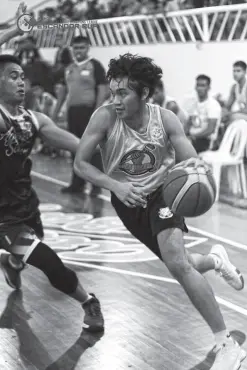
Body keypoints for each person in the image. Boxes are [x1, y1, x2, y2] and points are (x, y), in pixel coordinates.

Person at [74, 53, 245, 369]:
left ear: (144, 94)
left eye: (123, 92)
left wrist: (197, 170)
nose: (116, 100)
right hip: (126, 201)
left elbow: (190, 162)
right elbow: (80, 163)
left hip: (163, 194)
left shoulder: (165, 119)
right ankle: (215, 259)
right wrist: (115, 185)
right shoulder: (104, 117)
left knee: (178, 263)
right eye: (113, 91)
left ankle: (227, 343)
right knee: (179, 262)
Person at [0, 53, 104, 333]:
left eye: (22, 76)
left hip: (25, 206)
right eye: (12, 76)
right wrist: (11, 31)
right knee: (47, 260)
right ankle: (89, 302)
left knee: (30, 247)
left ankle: (11, 261)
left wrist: (106, 150)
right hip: (3, 219)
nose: (21, 82)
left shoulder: (35, 120)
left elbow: (77, 145)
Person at [53, 35, 107, 195]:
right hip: (72, 112)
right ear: (72, 49)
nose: (78, 51)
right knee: (74, 147)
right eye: (76, 48)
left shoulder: (95, 65)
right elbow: (63, 92)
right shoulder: (68, 68)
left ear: (88, 48)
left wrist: (97, 111)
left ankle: (96, 185)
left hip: (89, 111)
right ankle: (77, 184)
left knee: (92, 148)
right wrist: (54, 113)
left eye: (82, 47)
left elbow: (103, 89)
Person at [183, 75, 222, 152]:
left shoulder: (213, 105)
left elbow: (210, 130)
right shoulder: (194, 104)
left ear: (208, 88)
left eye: (203, 85)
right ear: (195, 87)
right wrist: (182, 135)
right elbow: (188, 123)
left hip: (206, 141)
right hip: (193, 138)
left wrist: (193, 136)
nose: (200, 88)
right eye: (198, 85)